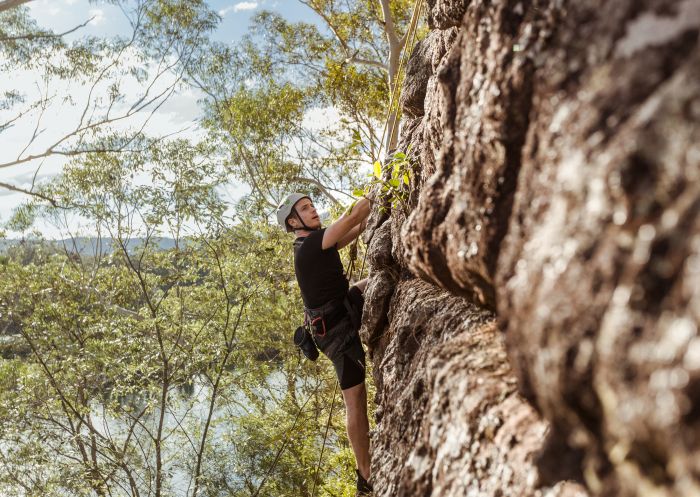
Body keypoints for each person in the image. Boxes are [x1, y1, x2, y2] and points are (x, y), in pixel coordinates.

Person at [276, 192, 373, 496]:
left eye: (311, 204)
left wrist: (374, 218)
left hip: (338, 313)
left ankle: (365, 472)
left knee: (380, 279)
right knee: (355, 399)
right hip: (335, 334)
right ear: (294, 222)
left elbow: (353, 230)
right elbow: (353, 218)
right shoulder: (309, 248)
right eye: (305, 208)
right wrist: (378, 191)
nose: (313, 209)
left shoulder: (317, 241)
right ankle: (366, 474)